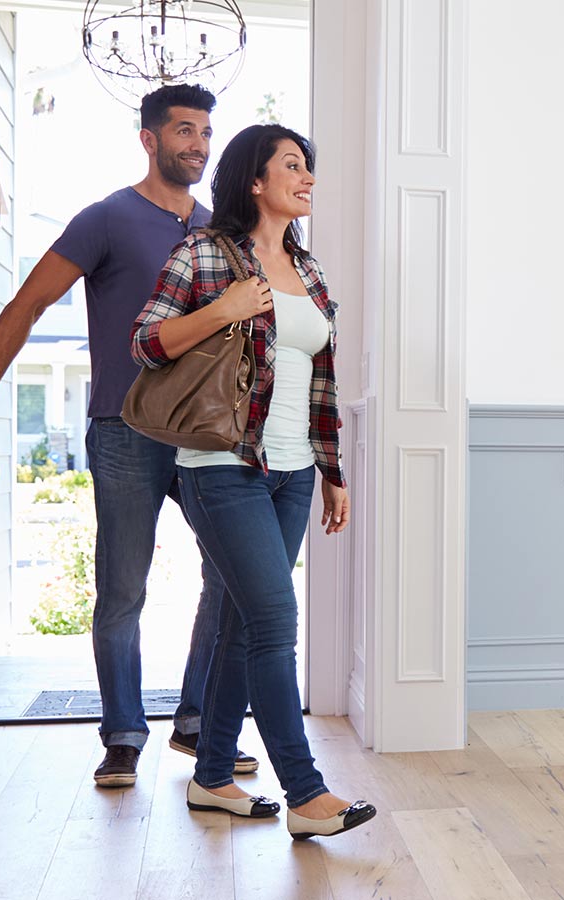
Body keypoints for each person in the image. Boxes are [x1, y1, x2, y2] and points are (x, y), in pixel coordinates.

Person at [0, 84, 260, 787]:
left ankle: (199, 721)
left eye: (205, 132)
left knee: (232, 578)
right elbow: (28, 302)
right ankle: (123, 734)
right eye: (183, 131)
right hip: (125, 429)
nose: (198, 144)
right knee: (121, 590)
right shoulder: (107, 219)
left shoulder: (218, 232)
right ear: (149, 139)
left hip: (206, 437)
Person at [131, 123, 377, 840]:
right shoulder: (204, 253)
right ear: (255, 181)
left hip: (295, 473)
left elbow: (321, 382)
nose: (308, 179)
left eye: (311, 167)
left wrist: (332, 473)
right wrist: (223, 308)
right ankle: (305, 794)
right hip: (223, 468)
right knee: (274, 622)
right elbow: (144, 342)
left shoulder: (312, 269)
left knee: (242, 625)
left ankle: (211, 779)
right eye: (294, 167)